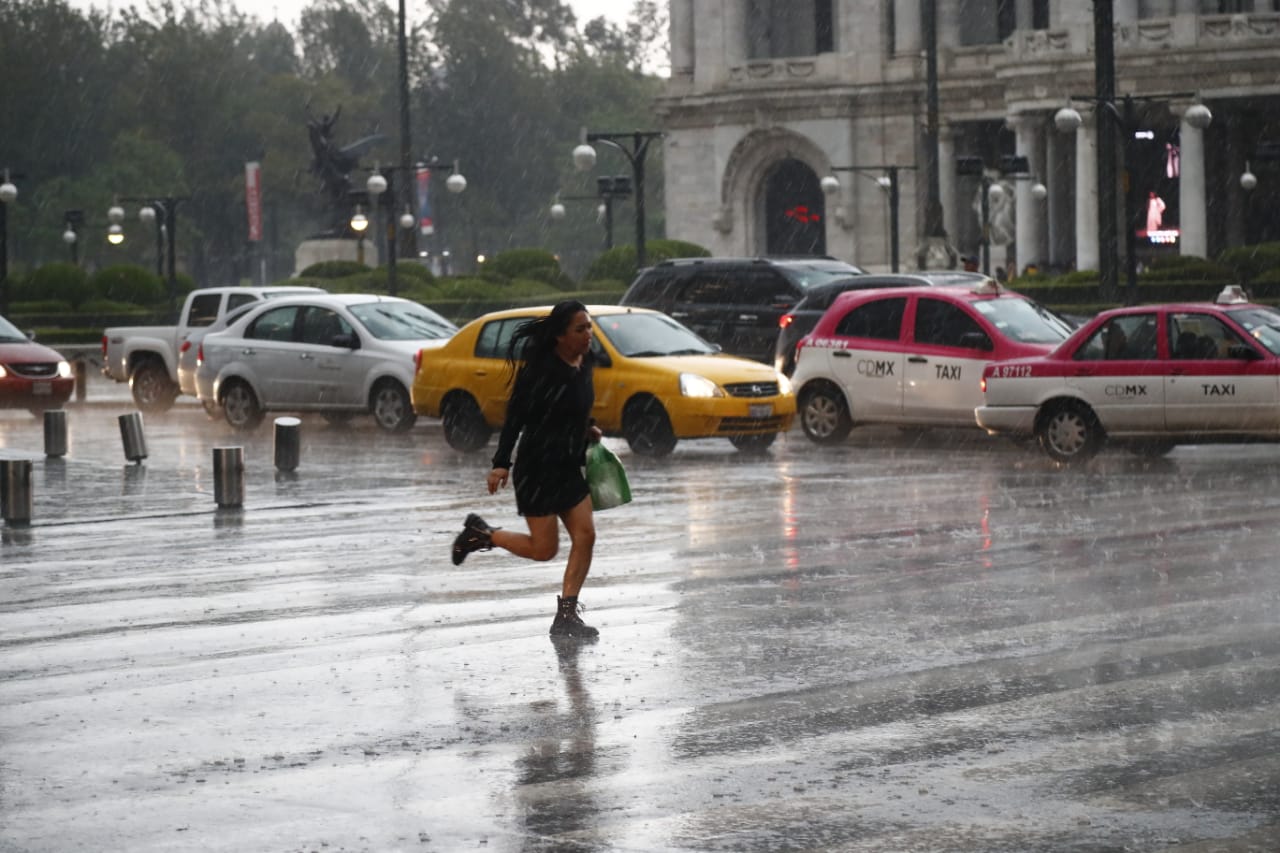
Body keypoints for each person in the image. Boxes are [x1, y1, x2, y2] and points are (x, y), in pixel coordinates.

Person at [450, 300, 603, 639]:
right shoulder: (541, 371)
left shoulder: (585, 361)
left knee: (586, 535)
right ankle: (482, 534)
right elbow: (516, 417)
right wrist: (501, 463)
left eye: (590, 327)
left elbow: (574, 407)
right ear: (561, 336)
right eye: (580, 329)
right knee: (543, 550)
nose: (588, 334)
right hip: (538, 468)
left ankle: (566, 615)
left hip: (568, 465)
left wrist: (587, 427)